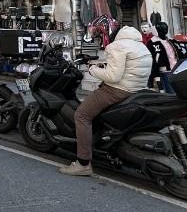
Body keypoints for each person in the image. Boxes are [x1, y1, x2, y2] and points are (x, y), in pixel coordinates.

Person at [62, 25, 153, 177]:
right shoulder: (141, 47)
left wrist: (92, 69)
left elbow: (113, 76)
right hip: (136, 90)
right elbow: (127, 69)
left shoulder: (117, 46)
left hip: (116, 91)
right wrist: (102, 66)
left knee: (82, 115)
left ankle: (83, 163)